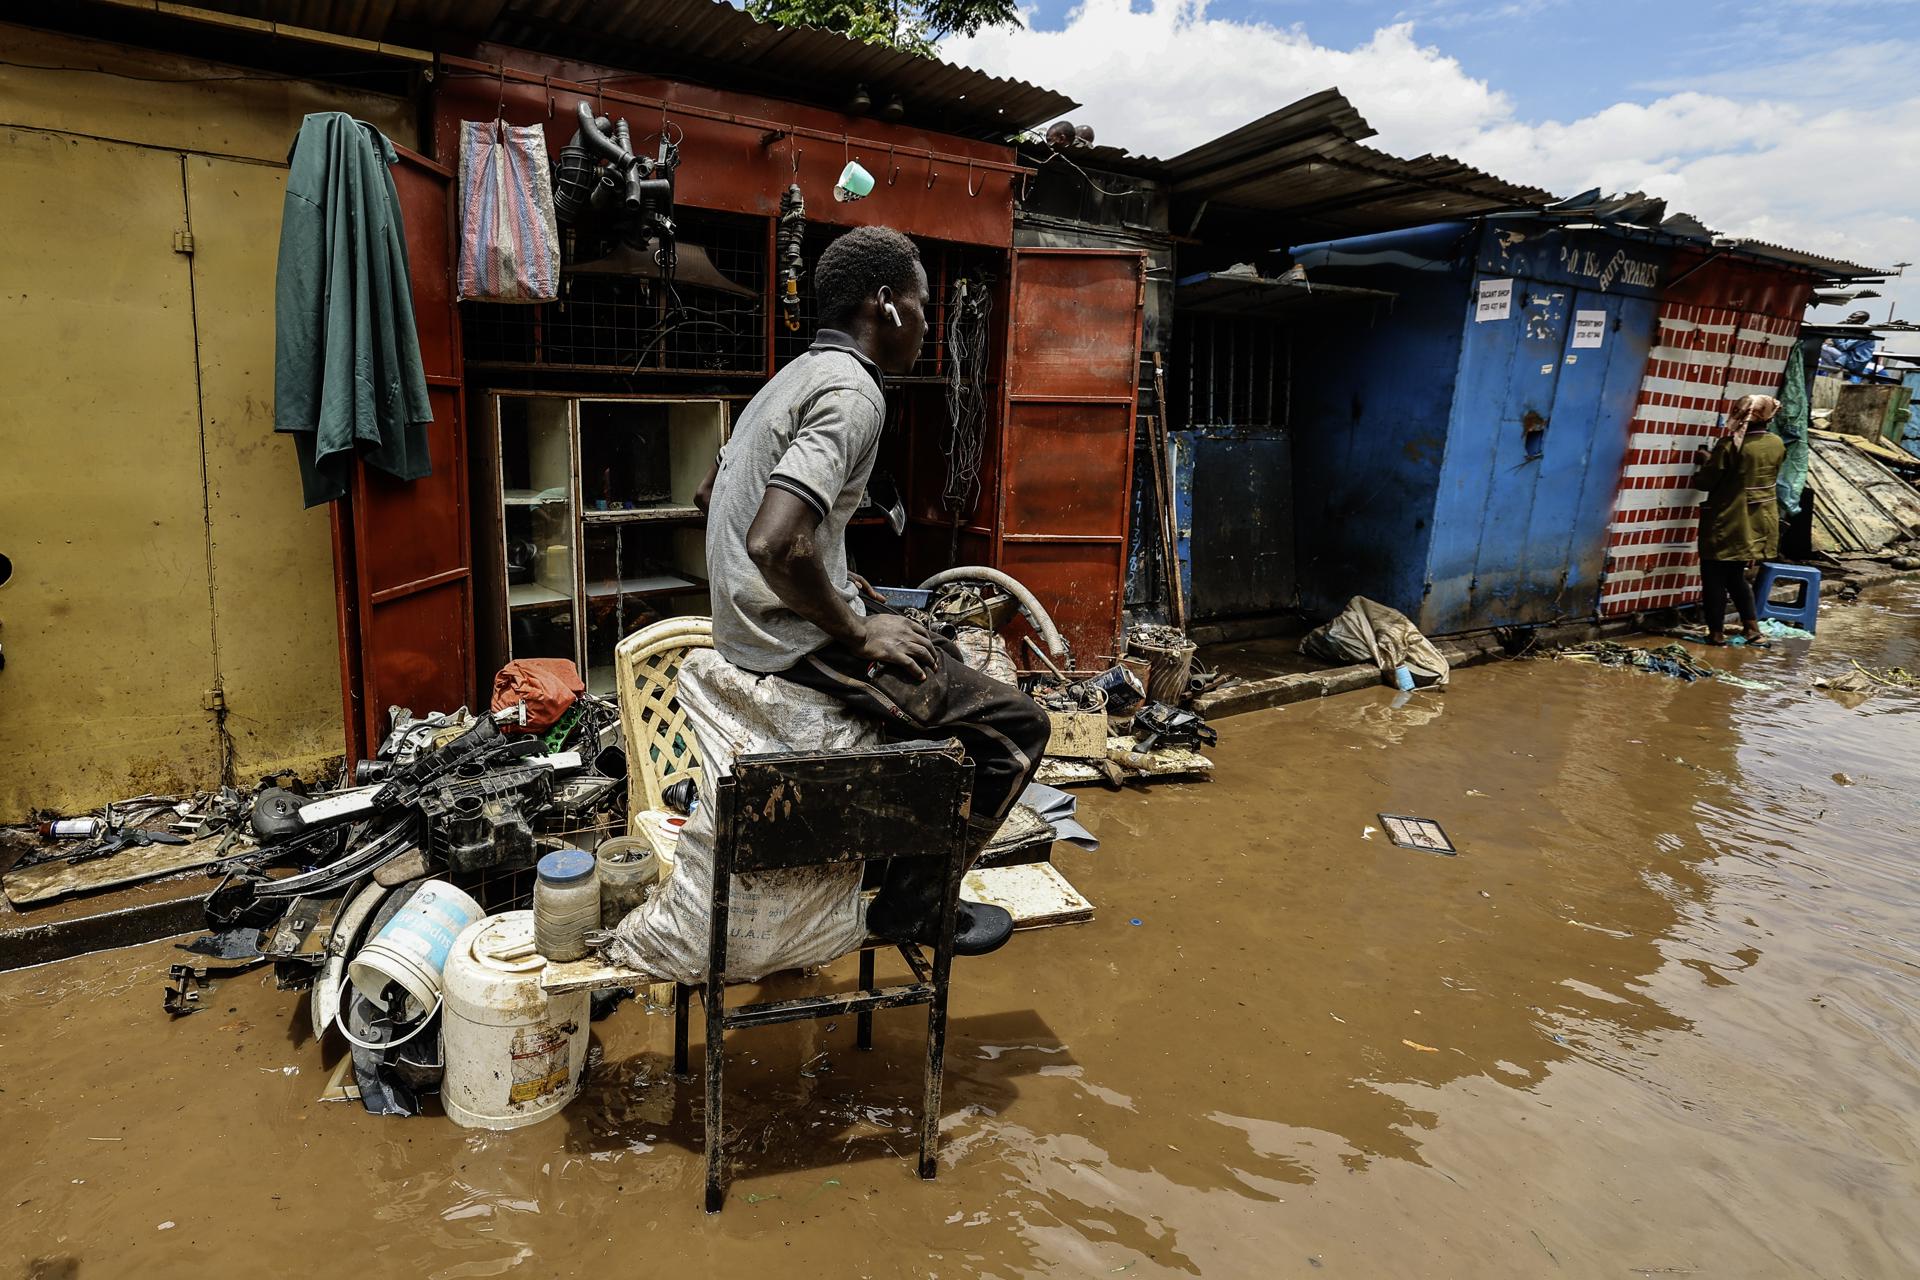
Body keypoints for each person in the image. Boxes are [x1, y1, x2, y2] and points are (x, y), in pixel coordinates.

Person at [695, 226, 1050, 957]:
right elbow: (771, 541)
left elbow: (712, 494)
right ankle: (911, 908)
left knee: (936, 647)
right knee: (1016, 731)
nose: (926, 323)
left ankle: (891, 859)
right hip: (788, 642)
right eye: (922, 304)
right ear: (886, 305)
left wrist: (832, 572)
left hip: (750, 622)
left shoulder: (793, 377)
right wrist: (854, 631)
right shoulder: (855, 393)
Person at [1692, 394, 1786, 646]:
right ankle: (1752, 628)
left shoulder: (1730, 445)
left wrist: (1705, 462)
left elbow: (1705, 482)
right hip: (1757, 520)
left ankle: (1716, 633)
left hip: (1727, 519)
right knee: (1735, 575)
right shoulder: (1777, 443)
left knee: (1713, 575)